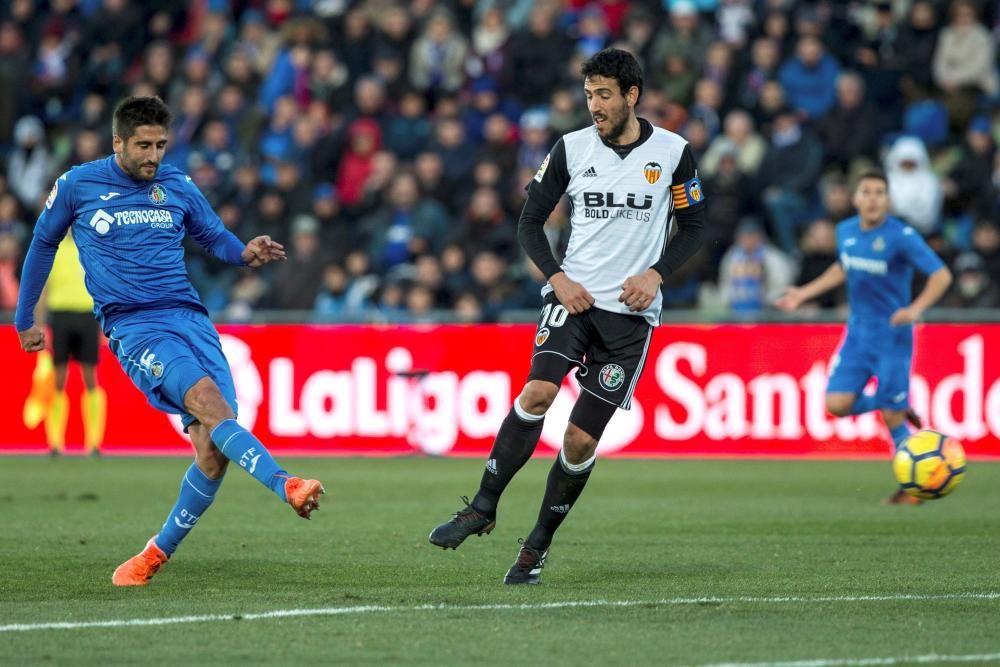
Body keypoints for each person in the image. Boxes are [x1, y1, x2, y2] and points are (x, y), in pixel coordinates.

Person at [14, 96, 326, 586]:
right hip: (135, 326)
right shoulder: (78, 185)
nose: (153, 156)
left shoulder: (176, 184)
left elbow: (213, 235)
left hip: (190, 318)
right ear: (118, 142)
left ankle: (155, 553)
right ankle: (286, 483)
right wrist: (25, 317)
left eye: (161, 144)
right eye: (143, 145)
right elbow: (42, 243)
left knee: (212, 449)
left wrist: (243, 252)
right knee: (208, 404)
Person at [428, 49, 705, 584]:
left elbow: (693, 227)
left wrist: (656, 275)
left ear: (632, 95)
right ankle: (482, 506)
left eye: (604, 95)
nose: (594, 105)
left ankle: (537, 545)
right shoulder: (570, 148)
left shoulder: (672, 153)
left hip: (629, 318)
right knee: (537, 393)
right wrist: (558, 279)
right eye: (589, 95)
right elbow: (530, 223)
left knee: (579, 441)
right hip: (571, 300)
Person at [776, 172, 952, 504]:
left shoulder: (901, 236)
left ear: (888, 201)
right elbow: (843, 268)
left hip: (893, 337)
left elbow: (941, 275)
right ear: (856, 199)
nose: (872, 198)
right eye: (866, 192)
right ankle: (896, 401)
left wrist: (915, 309)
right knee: (837, 404)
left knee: (891, 417)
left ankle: (913, 487)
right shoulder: (845, 232)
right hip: (858, 335)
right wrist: (803, 293)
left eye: (879, 193)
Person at [38, 228, 107, 456]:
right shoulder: (54, 249)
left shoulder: (92, 247)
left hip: (87, 316)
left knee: (90, 376)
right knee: (59, 378)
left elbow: (102, 288)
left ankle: (94, 443)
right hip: (61, 316)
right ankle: (55, 443)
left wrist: (104, 324)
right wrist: (39, 324)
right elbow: (44, 289)